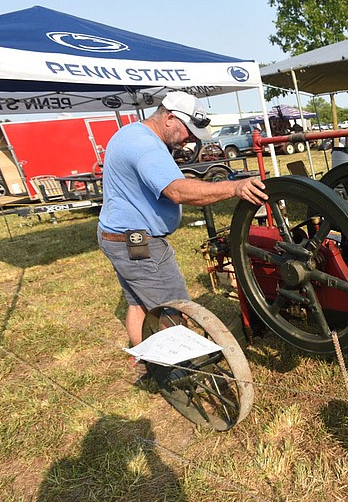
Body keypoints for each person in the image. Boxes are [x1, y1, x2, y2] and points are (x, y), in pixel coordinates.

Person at [97, 91, 268, 365]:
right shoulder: (147, 146)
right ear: (170, 118)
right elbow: (176, 191)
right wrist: (235, 187)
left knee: (137, 302)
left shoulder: (129, 133)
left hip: (116, 237)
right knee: (174, 308)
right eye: (189, 131)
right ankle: (179, 370)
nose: (192, 138)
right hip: (139, 242)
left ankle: (149, 365)